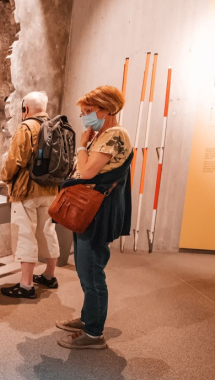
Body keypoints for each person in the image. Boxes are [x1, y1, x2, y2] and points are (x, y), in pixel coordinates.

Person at [55, 85, 132, 350]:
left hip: (96, 213)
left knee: (92, 273)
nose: (85, 117)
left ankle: (93, 334)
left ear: (107, 109)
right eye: (83, 111)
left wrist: (80, 146)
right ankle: (89, 318)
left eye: (89, 111)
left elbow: (86, 172)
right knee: (86, 269)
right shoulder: (102, 134)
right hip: (87, 211)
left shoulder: (115, 135)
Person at [0, 91, 61, 299]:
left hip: (27, 190)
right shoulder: (55, 126)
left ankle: (26, 285)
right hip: (51, 189)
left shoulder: (26, 127)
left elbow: (15, 160)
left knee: (25, 234)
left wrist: (5, 177)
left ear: (25, 109)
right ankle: (50, 275)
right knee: (47, 231)